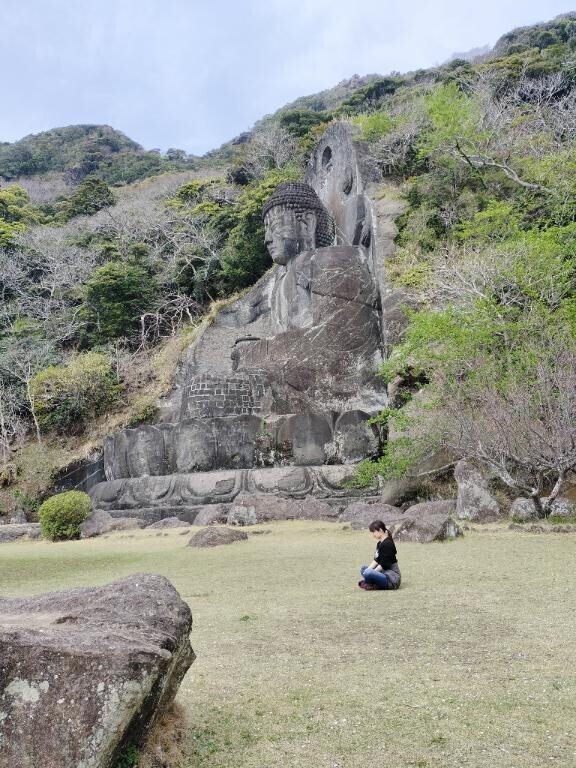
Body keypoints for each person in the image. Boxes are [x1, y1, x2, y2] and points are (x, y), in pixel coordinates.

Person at [358, 520, 401, 591]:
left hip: (391, 579)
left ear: (380, 530)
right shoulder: (380, 544)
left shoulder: (388, 544)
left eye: (374, 532)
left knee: (368, 572)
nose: (373, 534)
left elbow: (385, 564)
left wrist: (372, 572)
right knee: (364, 569)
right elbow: (376, 560)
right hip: (383, 572)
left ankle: (372, 583)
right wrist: (368, 571)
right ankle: (373, 583)